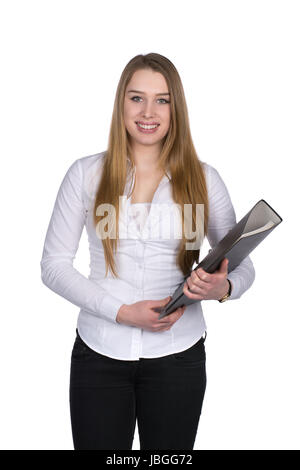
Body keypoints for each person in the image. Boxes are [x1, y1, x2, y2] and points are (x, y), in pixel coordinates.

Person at [40, 53, 255, 450]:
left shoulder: (205, 180)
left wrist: (220, 288)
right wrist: (121, 312)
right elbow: (53, 266)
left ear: (176, 108)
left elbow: (242, 267)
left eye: (162, 99)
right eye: (137, 98)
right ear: (121, 103)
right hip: (99, 352)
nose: (148, 112)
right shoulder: (85, 174)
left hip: (178, 357)